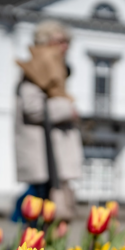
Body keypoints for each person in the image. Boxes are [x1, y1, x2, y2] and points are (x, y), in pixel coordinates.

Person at [13, 20, 82, 222]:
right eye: (59, 41)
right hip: (42, 153)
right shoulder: (37, 68)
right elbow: (32, 108)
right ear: (45, 41)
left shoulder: (54, 69)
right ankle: (22, 233)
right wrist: (67, 109)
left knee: (44, 208)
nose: (65, 47)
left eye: (67, 42)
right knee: (37, 206)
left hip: (52, 154)